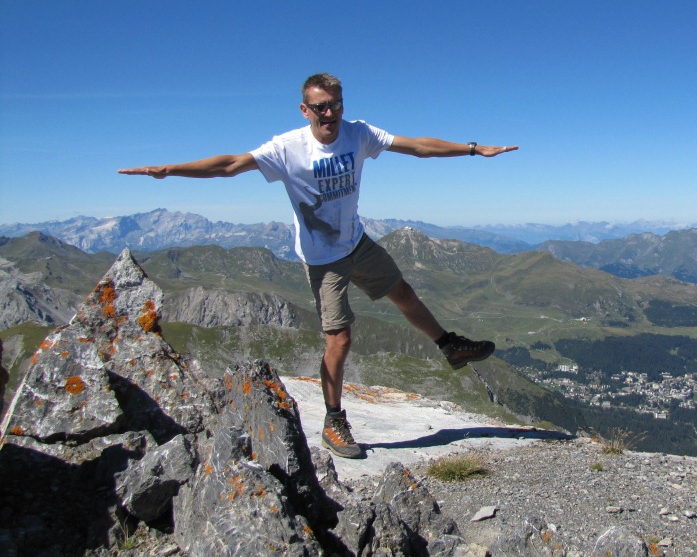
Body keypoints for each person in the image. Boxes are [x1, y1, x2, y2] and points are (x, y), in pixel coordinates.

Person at [120, 72, 518, 458]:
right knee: (340, 339)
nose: (331, 114)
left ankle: (450, 347)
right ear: (305, 110)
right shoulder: (287, 148)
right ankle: (333, 420)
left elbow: (415, 146)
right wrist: (170, 170)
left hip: (355, 241)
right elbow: (229, 165)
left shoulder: (357, 133)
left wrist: (472, 149)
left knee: (402, 292)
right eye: (321, 107)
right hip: (323, 259)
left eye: (337, 105)